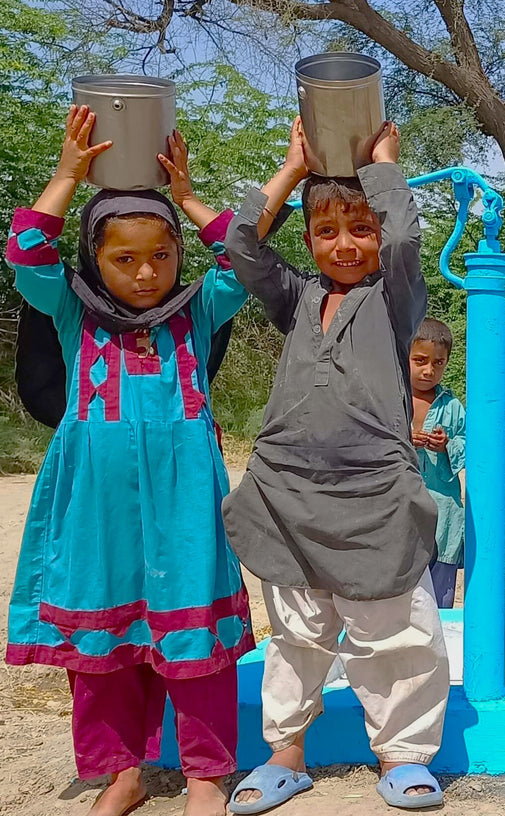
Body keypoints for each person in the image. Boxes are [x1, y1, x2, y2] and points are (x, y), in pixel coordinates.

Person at [5, 105, 254, 816]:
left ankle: (207, 774)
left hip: (183, 505)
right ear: (95, 259)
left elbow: (244, 256)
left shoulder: (197, 312)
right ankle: (123, 773)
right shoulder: (73, 313)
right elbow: (25, 251)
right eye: (125, 258)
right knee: (103, 648)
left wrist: (188, 198)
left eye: (163, 254)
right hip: (94, 503)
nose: (147, 273)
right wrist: (66, 175)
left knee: (195, 641)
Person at [222, 118, 448, 813]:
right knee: (294, 632)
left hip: (375, 494)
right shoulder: (297, 299)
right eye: (327, 232)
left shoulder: (395, 299)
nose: (345, 244)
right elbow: (239, 244)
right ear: (309, 239)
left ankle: (402, 757)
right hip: (288, 491)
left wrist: (383, 166)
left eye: (360, 228)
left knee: (398, 632)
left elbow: (407, 239)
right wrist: (292, 170)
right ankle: (285, 756)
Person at [410, 318, 466, 609]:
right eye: (420, 360)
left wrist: (449, 445)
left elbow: (471, 445)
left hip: (445, 511)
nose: (429, 370)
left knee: (440, 597)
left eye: (438, 363)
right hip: (401, 510)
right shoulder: (393, 401)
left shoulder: (452, 405)